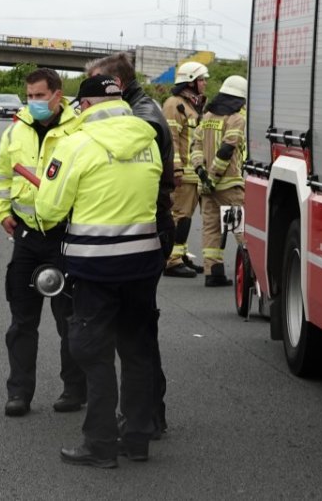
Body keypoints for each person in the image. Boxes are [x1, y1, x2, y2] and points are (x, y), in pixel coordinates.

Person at [36, 75, 164, 469]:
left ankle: (100, 443)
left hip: (95, 266)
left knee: (93, 352)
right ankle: (137, 438)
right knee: (138, 349)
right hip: (143, 261)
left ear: (85, 106)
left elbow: (48, 209)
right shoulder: (149, 141)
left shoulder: (76, 145)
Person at [85, 51, 172, 438]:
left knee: (135, 333)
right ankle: (145, 417)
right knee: (136, 330)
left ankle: (146, 417)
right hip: (144, 225)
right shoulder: (136, 108)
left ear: (113, 86)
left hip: (144, 226)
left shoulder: (141, 117)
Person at [0, 68, 85, 417]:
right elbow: (3, 174)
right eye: (29, 96)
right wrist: (1, 212)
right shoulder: (16, 130)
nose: (34, 103)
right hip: (27, 236)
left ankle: (74, 390)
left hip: (65, 237)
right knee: (21, 322)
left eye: (40, 96)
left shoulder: (78, 131)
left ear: (58, 95)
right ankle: (19, 393)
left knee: (69, 320)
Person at [191, 75, 248, 287]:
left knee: (211, 228)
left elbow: (194, 147)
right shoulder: (236, 119)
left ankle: (213, 273)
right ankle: (251, 273)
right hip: (228, 185)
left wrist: (202, 173)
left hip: (206, 187)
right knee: (239, 229)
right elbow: (227, 148)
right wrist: (213, 177)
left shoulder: (207, 117)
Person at [162, 61, 210, 278]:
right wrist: (176, 170)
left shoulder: (192, 105)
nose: (205, 83)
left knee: (186, 217)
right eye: (201, 79)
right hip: (183, 173)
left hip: (195, 174)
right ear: (190, 81)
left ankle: (180, 257)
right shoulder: (174, 104)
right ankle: (171, 260)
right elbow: (170, 139)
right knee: (179, 216)